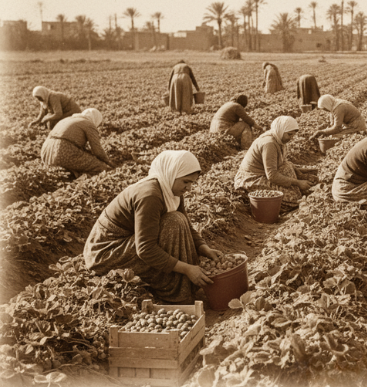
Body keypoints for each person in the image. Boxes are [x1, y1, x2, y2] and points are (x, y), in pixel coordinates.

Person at [84, 150, 222, 304]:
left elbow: (187, 226)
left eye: (192, 182)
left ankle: (183, 286)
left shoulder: (171, 189)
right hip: (105, 253)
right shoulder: (150, 196)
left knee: (177, 220)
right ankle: (172, 293)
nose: (189, 188)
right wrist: (187, 269)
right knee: (173, 222)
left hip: (128, 242)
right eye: (185, 181)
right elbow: (145, 249)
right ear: (171, 173)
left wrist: (204, 248)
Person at [234, 116, 314, 212]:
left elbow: (284, 162)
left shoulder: (278, 139)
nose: (291, 138)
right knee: (293, 198)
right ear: (281, 130)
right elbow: (272, 175)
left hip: (264, 174)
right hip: (251, 179)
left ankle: (296, 190)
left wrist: (301, 174)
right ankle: (251, 202)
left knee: (288, 168)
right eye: (289, 134)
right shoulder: (269, 144)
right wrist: (298, 182)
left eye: (293, 135)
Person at [41, 108, 114, 176]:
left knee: (82, 159)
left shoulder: (67, 119)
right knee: (101, 167)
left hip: (46, 152)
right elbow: (97, 150)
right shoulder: (88, 124)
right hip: (62, 150)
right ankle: (81, 180)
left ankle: (72, 173)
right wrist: (108, 162)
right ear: (96, 119)